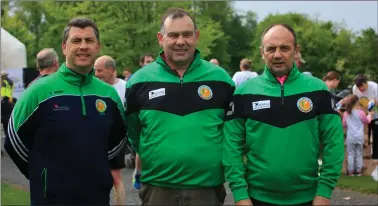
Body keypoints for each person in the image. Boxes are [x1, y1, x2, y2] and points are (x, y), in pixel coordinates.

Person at [4, 17, 127, 205]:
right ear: (64, 47)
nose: (83, 46)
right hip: (50, 200)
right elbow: (14, 141)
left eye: (89, 40)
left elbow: (117, 141)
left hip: (97, 199)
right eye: (76, 40)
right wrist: (43, 176)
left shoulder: (109, 95)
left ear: (97, 46)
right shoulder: (38, 91)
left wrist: (97, 172)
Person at [223, 23, 344, 206]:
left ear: (296, 51)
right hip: (256, 199)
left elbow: (333, 142)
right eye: (271, 49)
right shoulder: (244, 93)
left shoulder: (318, 89)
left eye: (284, 48)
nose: (277, 55)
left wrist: (325, 191)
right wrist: (240, 194)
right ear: (262, 52)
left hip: (309, 199)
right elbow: (231, 146)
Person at [125, 7, 234, 205]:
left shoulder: (221, 79)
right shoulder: (139, 81)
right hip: (158, 189)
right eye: (173, 35)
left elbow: (233, 131)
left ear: (197, 36)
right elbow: (134, 131)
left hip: (207, 189)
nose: (180, 41)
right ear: (160, 38)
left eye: (187, 35)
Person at [94, 55, 126, 205]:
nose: (96, 74)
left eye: (100, 70)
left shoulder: (125, 87)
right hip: (95, 139)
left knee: (115, 177)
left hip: (116, 140)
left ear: (111, 70)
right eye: (95, 71)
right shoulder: (93, 87)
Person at [343, 94, 374, 176]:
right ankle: (359, 171)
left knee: (351, 154)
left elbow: (344, 125)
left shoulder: (346, 113)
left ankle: (350, 172)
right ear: (357, 102)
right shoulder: (361, 113)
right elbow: (367, 121)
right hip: (359, 137)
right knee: (359, 154)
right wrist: (370, 115)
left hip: (350, 137)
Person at [352, 74, 378, 161]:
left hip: (375, 114)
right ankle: (365, 157)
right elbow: (356, 103)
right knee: (364, 135)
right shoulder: (355, 89)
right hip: (363, 115)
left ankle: (376, 157)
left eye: (362, 86)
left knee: (376, 134)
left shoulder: (374, 87)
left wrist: (373, 104)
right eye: (358, 87)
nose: (360, 89)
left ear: (365, 83)